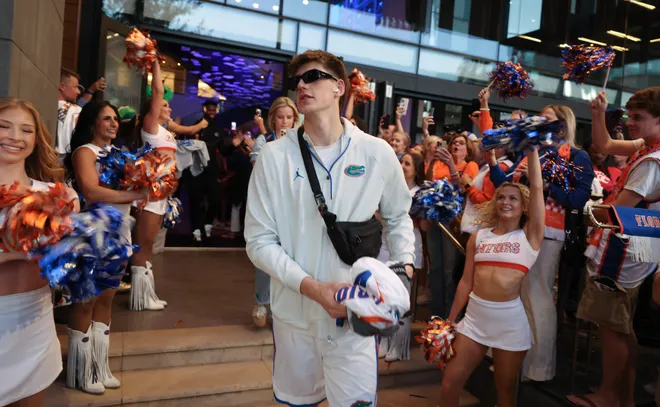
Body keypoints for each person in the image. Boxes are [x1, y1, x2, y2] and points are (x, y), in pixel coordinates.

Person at [244, 50, 415, 407]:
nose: (302, 86)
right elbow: (259, 242)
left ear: (340, 87)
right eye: (297, 81)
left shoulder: (376, 152)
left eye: (313, 77)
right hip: (295, 317)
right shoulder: (274, 157)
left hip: (355, 317)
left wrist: (403, 270)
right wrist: (315, 289)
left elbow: (399, 218)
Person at [566, 89, 659, 407]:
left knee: (611, 326)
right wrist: (597, 113)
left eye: (638, 118)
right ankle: (624, 397)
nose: (630, 123)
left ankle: (608, 395)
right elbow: (605, 145)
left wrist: (586, 213)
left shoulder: (652, 161)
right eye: (630, 116)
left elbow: (618, 211)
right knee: (621, 326)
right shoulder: (649, 147)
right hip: (634, 249)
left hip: (623, 251)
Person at [489, 104, 594, 382]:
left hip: (549, 231)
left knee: (539, 296)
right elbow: (507, 183)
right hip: (520, 229)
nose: (538, 123)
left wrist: (545, 186)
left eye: (545, 120)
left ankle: (539, 367)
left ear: (562, 125)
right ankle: (515, 361)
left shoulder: (576, 155)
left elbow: (577, 200)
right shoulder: (534, 151)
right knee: (517, 295)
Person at [440, 146, 545, 407]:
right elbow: (466, 282)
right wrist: (451, 320)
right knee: (449, 383)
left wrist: (532, 152)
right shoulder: (479, 236)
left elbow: (538, 189)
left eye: (513, 198)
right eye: (501, 197)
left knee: (505, 393)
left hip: (509, 323)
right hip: (475, 319)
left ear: (524, 207)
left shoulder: (529, 237)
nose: (506, 202)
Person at [64, 101, 147, 394]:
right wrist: (136, 193)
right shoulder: (84, 152)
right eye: (106, 119)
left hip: (120, 230)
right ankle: (80, 370)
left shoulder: (122, 155)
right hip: (93, 230)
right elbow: (91, 190)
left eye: (115, 119)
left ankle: (99, 365)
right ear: (92, 123)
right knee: (86, 299)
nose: (113, 123)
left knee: (107, 299)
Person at [0, 98, 78, 407]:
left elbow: (69, 262)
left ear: (36, 139)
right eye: (3, 127)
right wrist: (16, 254)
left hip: (34, 318)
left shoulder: (56, 196)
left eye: (26, 130)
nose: (15, 137)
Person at [250, 96, 300, 328]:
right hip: (268, 207)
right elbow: (258, 169)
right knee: (265, 254)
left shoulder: (301, 141)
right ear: (273, 119)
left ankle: (285, 305)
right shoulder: (264, 141)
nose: (285, 122)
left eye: (289, 117)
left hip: (293, 208)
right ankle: (262, 301)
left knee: (291, 255)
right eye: (280, 117)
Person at [130, 59, 174, 311]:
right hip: (149, 195)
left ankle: (147, 294)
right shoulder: (151, 128)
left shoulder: (166, 132)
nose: (167, 107)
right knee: (143, 245)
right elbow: (157, 91)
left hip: (161, 195)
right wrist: (155, 64)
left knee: (149, 246)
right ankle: (140, 299)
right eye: (164, 105)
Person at [378, 152, 425, 362]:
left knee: (400, 299)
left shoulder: (421, 193)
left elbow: (420, 224)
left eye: (407, 163)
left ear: (417, 169)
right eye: (401, 162)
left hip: (407, 246)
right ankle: (383, 341)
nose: (402, 166)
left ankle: (398, 346)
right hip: (382, 245)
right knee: (381, 296)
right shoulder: (388, 187)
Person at [188, 100, 220, 242]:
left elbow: (224, 148)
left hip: (212, 169)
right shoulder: (196, 125)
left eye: (214, 110)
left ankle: (207, 226)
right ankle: (196, 230)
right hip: (196, 169)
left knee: (215, 199)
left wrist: (233, 144)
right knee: (196, 200)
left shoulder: (218, 127)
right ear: (204, 109)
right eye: (210, 110)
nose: (212, 113)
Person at [57, 70, 106, 157]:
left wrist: (91, 90)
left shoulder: (47, 105)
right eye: (75, 87)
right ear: (62, 86)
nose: (78, 92)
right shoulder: (75, 111)